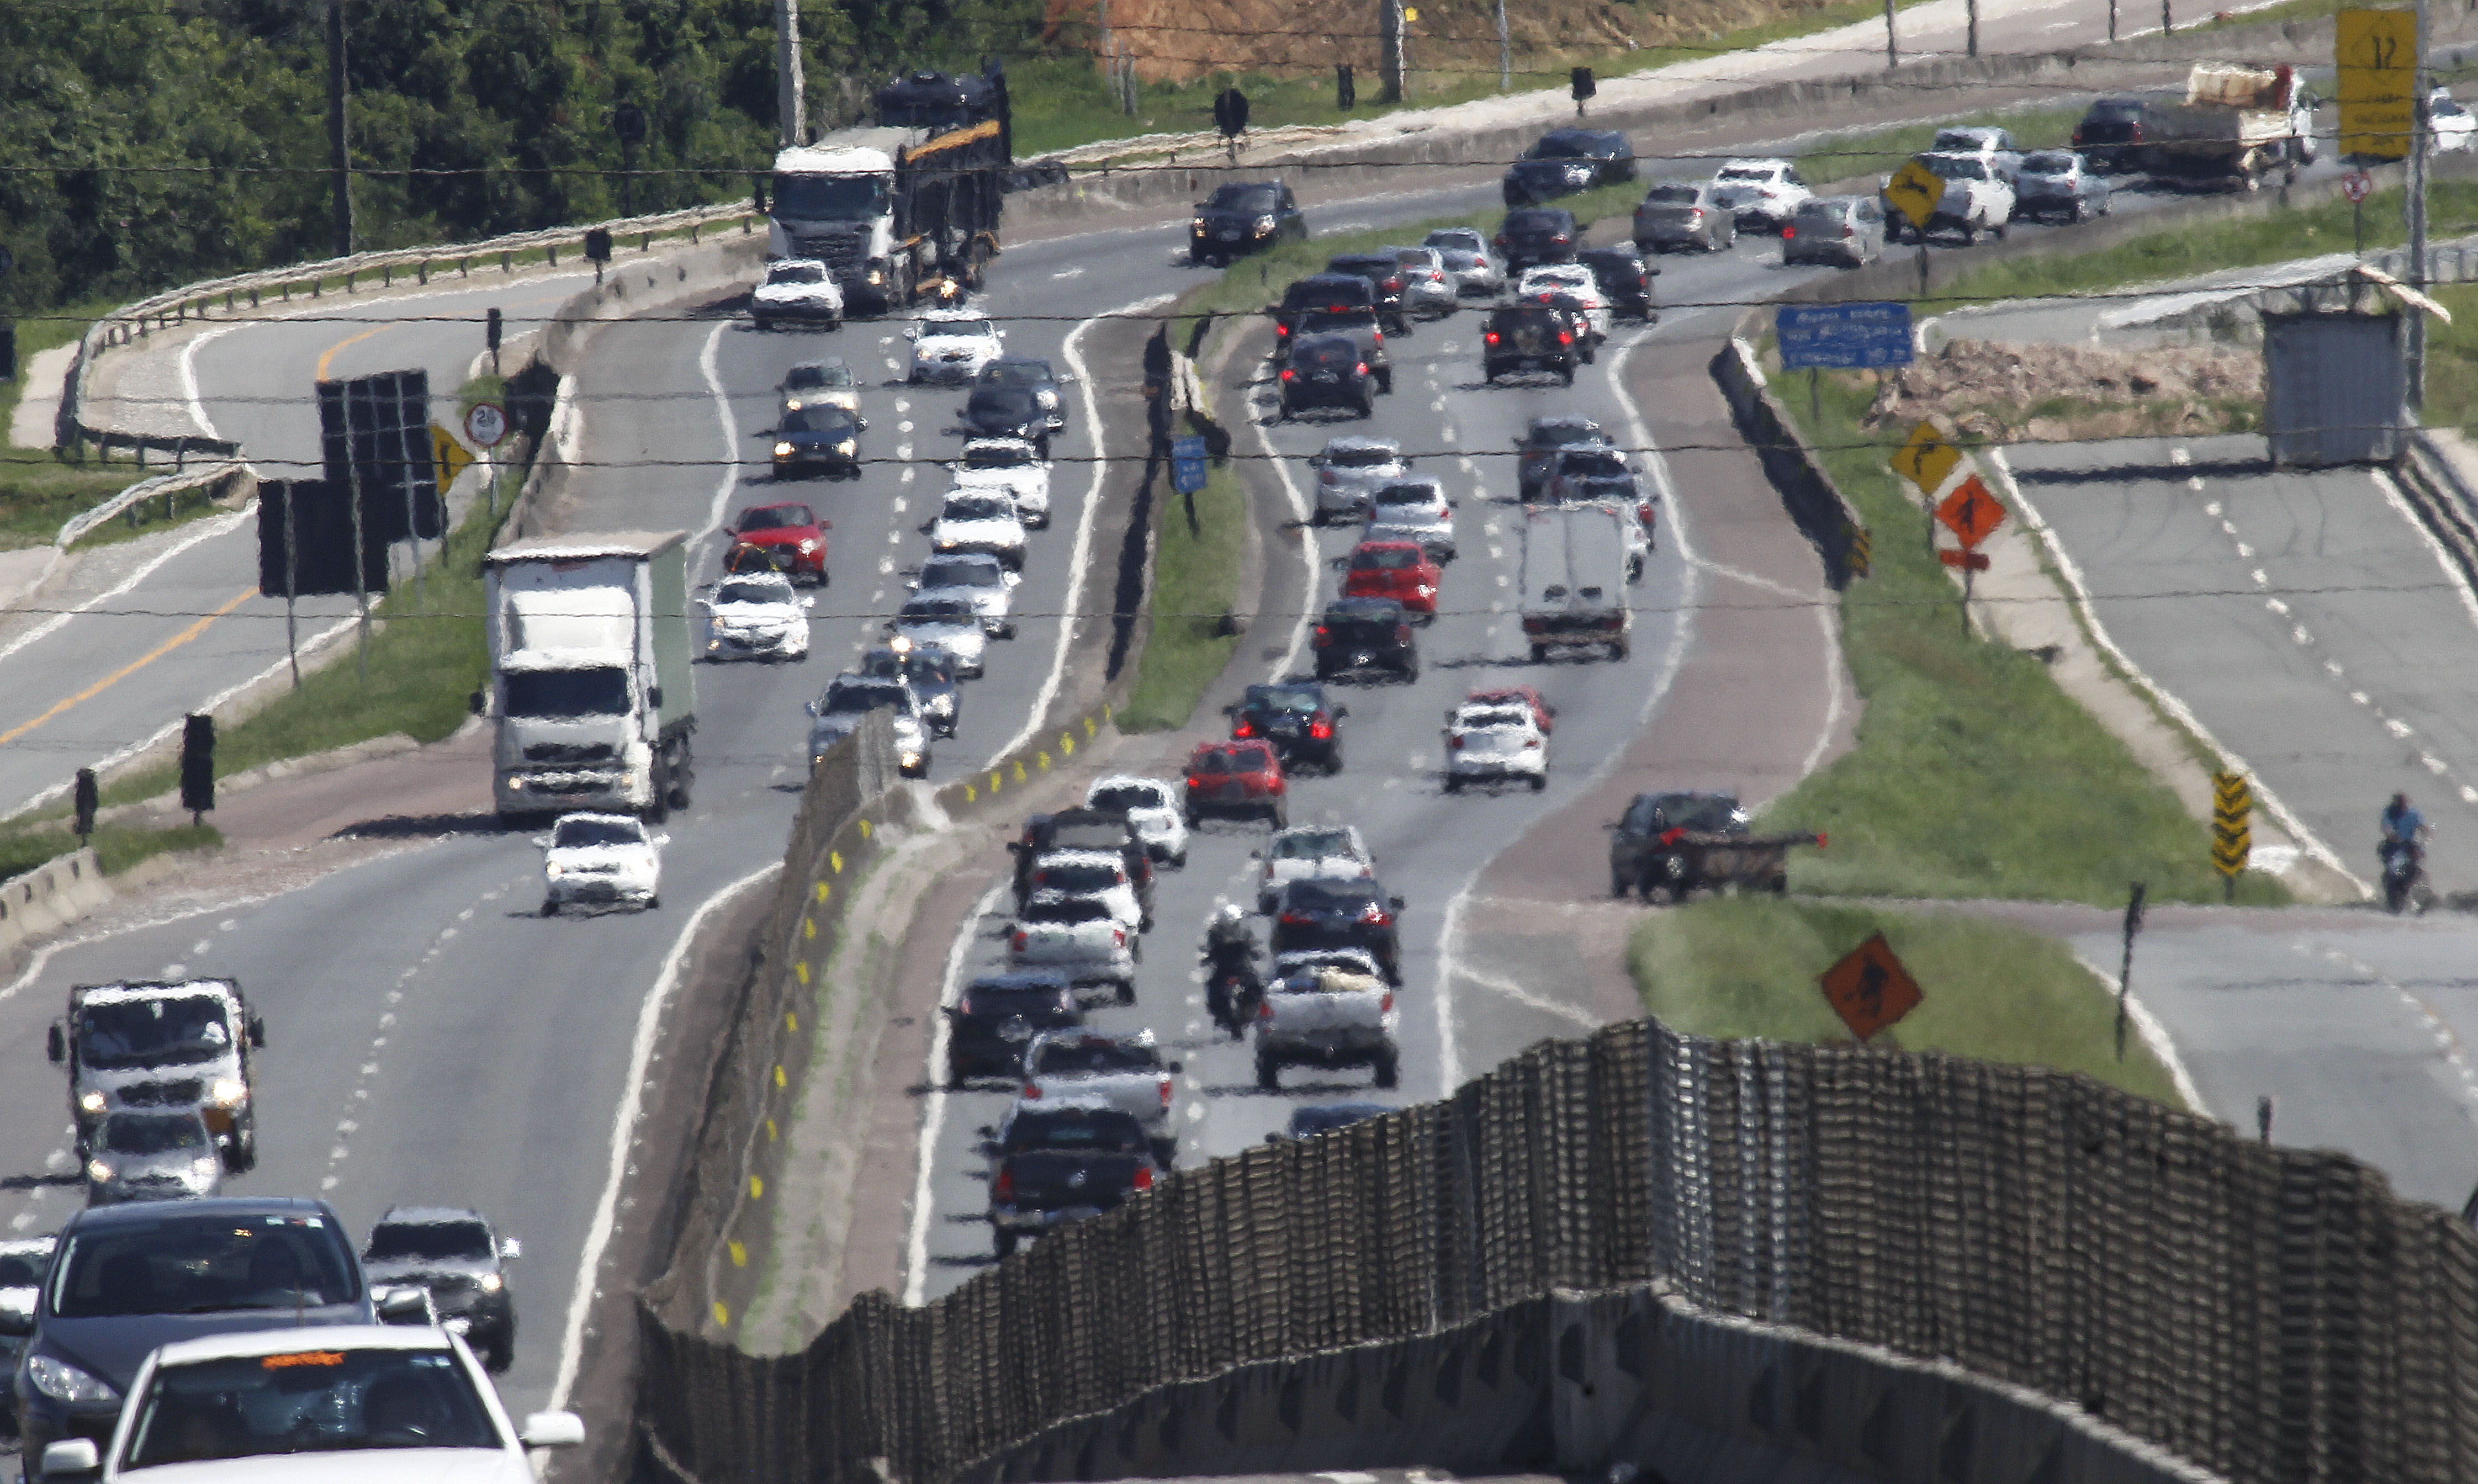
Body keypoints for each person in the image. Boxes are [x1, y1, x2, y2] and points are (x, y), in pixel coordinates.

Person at [2381, 793, 2427, 872]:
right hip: (2393, 843)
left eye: (2403, 803)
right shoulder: (2389, 813)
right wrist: (2391, 837)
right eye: (2399, 803)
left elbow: (2421, 826)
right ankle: (2391, 876)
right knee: (2391, 862)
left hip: (2408, 842)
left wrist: (2425, 832)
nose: (2402, 805)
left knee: (2418, 855)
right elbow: (2386, 828)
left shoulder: (2413, 814)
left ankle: (2417, 875)